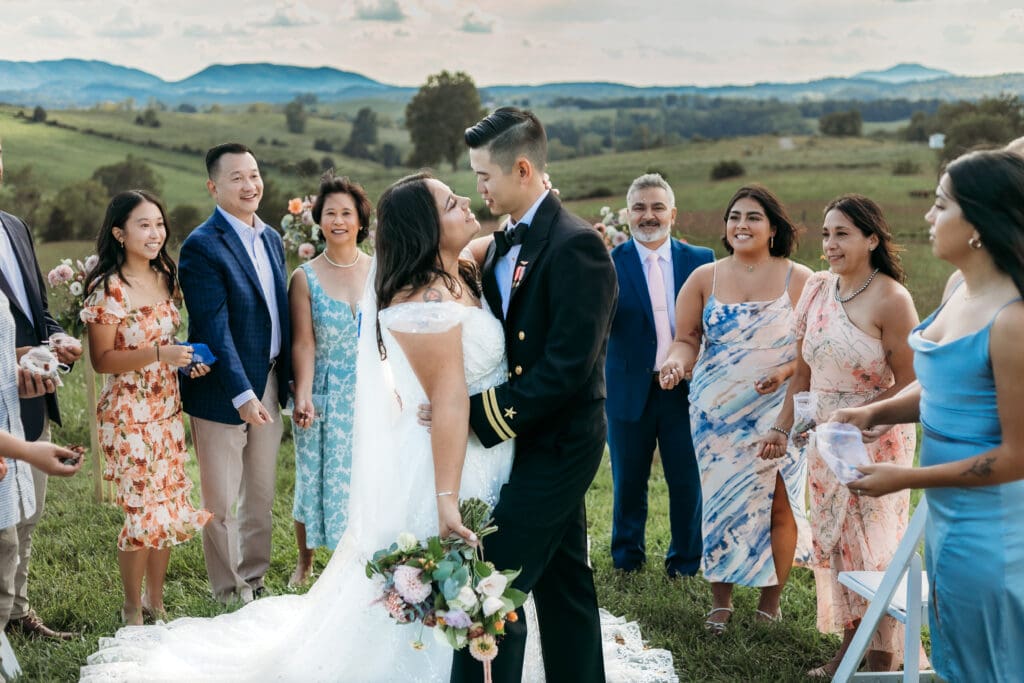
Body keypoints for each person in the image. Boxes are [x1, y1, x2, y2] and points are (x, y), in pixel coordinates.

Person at [833, 149, 1024, 682]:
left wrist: (905, 479)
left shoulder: (1013, 321)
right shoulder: (960, 287)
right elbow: (943, 384)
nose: (927, 216)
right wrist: (874, 411)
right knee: (953, 658)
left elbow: (1018, 456)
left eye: (941, 204)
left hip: (993, 533)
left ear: (982, 223)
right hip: (947, 520)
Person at [450, 106, 617, 683]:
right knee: (565, 577)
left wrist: (476, 416)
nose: (478, 188)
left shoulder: (577, 246)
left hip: (560, 441)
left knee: (491, 583)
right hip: (525, 441)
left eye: (483, 175)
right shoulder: (500, 244)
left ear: (522, 169)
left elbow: (568, 365)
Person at [758, 195, 919, 676]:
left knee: (874, 548)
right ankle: (859, 650)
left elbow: (912, 382)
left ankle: (878, 656)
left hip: (875, 440)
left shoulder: (892, 299)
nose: (830, 244)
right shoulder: (818, 288)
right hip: (823, 439)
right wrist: (785, 425)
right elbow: (803, 371)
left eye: (842, 233)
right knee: (839, 545)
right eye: (826, 233)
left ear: (872, 239)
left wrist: (861, 419)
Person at [660, 184, 812, 634]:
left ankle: (771, 602)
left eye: (752, 218)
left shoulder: (800, 279)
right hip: (716, 413)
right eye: (734, 217)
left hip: (782, 411)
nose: (741, 225)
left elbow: (812, 351)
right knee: (722, 505)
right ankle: (721, 603)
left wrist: (785, 373)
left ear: (772, 229)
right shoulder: (705, 278)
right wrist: (674, 363)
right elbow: (686, 340)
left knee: (780, 504)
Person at [81, 190, 212, 625]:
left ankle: (158, 601)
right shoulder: (108, 289)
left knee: (168, 510)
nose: (155, 233)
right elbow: (103, 360)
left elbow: (167, 342)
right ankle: (132, 607)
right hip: (130, 416)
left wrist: (182, 361)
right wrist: (159, 355)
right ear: (119, 233)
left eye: (159, 224)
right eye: (143, 225)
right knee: (141, 515)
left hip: (167, 410)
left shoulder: (164, 274)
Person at [178, 143, 291, 604]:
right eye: (237, 178)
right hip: (224, 389)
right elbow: (213, 325)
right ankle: (227, 592)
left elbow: (279, 314)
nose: (250, 186)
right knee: (221, 503)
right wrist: (242, 393)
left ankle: (256, 581)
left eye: (255, 175)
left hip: (267, 380)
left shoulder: (271, 238)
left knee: (260, 495)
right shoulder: (202, 246)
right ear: (213, 187)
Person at [605, 173, 713, 577]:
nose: (648, 216)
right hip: (629, 388)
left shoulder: (701, 260)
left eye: (656, 207)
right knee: (628, 481)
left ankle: (686, 561)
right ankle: (626, 559)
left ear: (672, 213)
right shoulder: (608, 263)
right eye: (639, 207)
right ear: (627, 214)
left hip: (686, 391)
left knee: (686, 480)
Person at [0, 136, 83, 641]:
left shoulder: (15, 227)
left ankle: (17, 612)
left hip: (33, 397)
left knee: (28, 513)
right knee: (1, 525)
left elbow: (36, 310)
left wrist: (56, 339)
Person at [287, 173, 372, 587]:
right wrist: (304, 395)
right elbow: (303, 343)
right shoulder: (305, 277)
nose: (338, 220)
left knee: (367, 475)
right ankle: (306, 562)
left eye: (346, 213)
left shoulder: (379, 271)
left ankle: (363, 556)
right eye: (330, 213)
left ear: (360, 220)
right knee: (314, 476)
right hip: (324, 388)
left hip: (371, 388)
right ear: (318, 220)